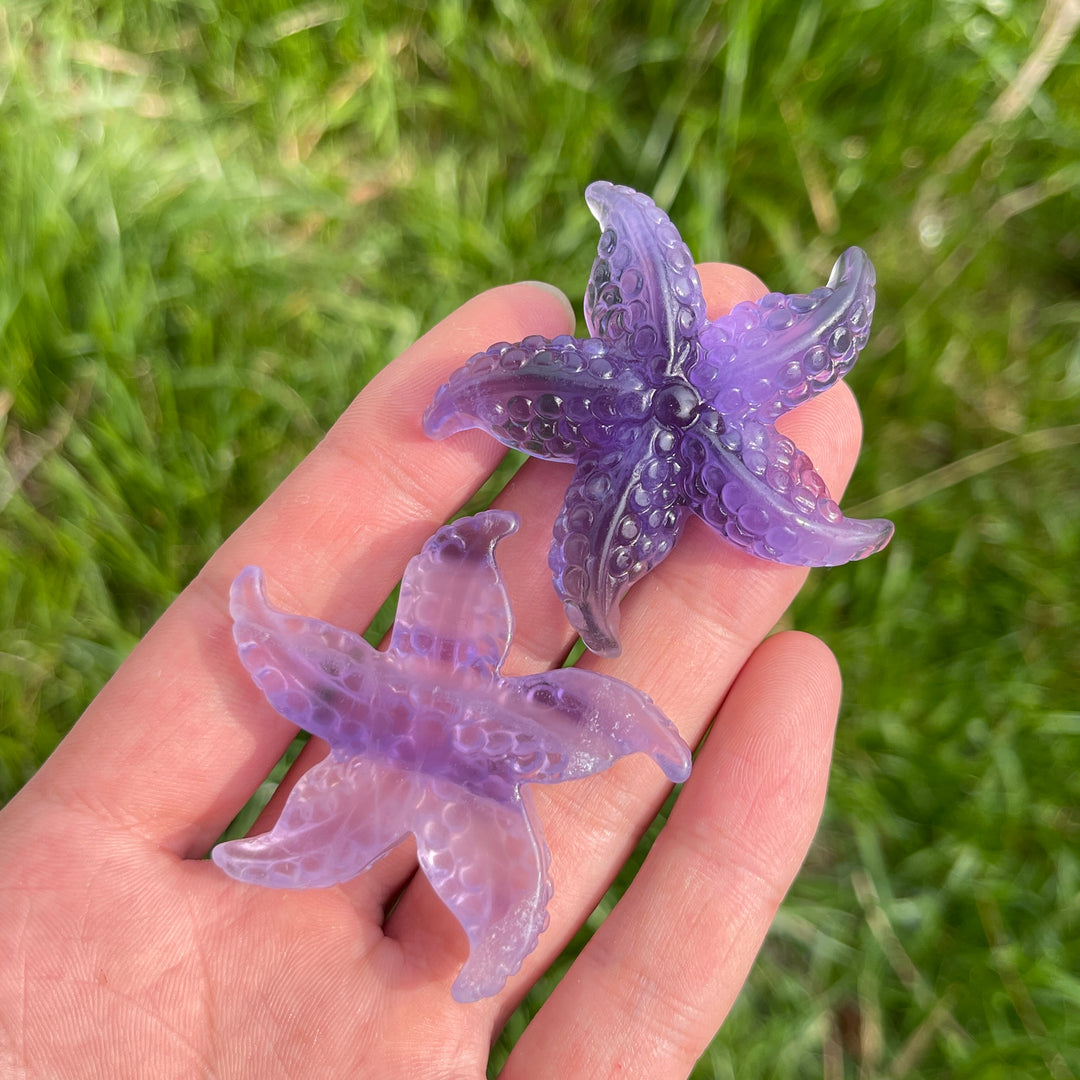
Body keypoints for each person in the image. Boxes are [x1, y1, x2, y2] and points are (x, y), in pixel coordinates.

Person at [0, 264, 861, 1078]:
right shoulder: (438, 709)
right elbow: (389, 617)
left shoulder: (455, 722)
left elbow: (583, 708)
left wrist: (648, 734)